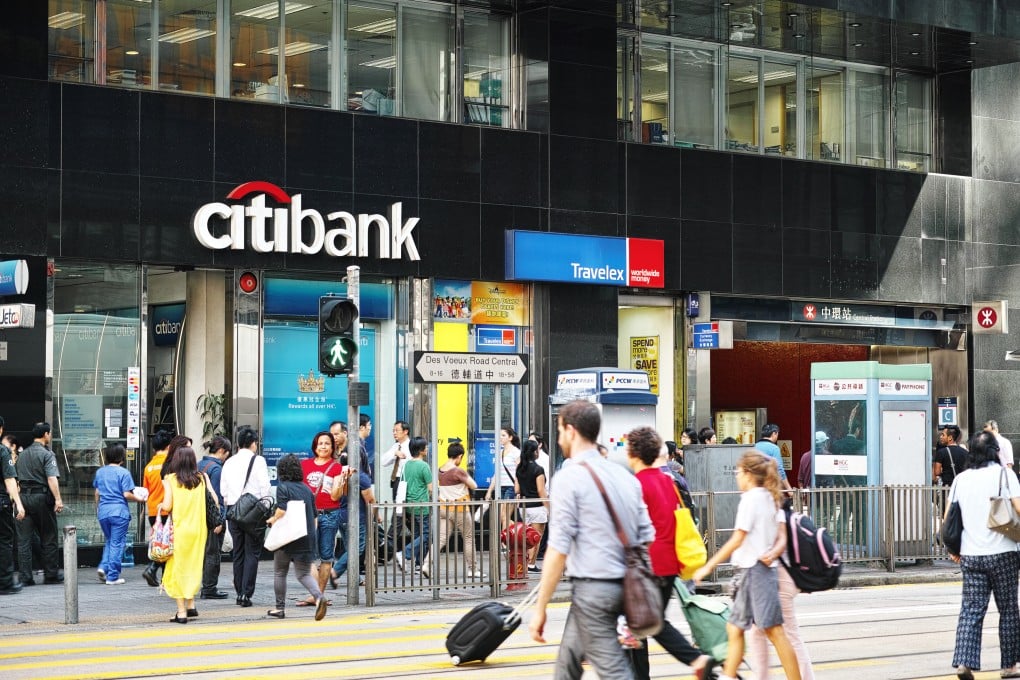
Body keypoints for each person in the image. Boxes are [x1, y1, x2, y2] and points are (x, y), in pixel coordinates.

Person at [529, 399, 654, 680]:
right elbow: (647, 535)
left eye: (560, 431)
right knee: (568, 663)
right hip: (628, 586)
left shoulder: (568, 478)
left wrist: (540, 608)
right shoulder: (627, 478)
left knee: (615, 672)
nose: (559, 438)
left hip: (594, 591)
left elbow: (558, 548)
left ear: (571, 431)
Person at [693, 451, 802, 680]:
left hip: (755, 572)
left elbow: (737, 538)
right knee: (735, 628)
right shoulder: (773, 497)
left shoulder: (751, 499)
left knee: (774, 631)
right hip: (753, 571)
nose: (736, 477)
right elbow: (782, 536)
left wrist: (708, 566)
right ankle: (728, 676)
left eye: (738, 472)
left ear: (749, 474)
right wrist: (774, 551)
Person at [625, 426, 716, 680]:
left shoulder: (636, 485)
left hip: (646, 566)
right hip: (669, 564)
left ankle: (697, 660)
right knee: (639, 628)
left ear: (634, 453)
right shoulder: (668, 481)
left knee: (649, 624)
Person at [946, 431, 1020, 680]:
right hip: (1004, 553)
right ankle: (1009, 666)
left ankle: (964, 663)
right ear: (994, 451)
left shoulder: (961, 480)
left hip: (971, 555)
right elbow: (1019, 508)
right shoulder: (1005, 474)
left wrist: (953, 550)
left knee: (971, 609)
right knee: (1008, 609)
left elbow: (949, 519)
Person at [747, 509, 815, 680]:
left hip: (781, 580)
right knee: (758, 632)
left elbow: (776, 542)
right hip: (781, 578)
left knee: (789, 635)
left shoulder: (768, 505)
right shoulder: (776, 505)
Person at [266, 454, 328, 622]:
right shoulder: (306, 489)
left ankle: (279, 609)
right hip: (305, 536)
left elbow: (282, 510)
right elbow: (314, 517)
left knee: (280, 572)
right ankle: (318, 597)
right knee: (303, 574)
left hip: (287, 538)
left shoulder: (283, 487)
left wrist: (271, 520)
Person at [158, 446, 211, 623]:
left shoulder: (170, 479)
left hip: (180, 530)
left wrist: (159, 507)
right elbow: (214, 500)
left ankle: (181, 612)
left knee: (177, 569)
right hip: (198, 530)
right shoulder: (201, 478)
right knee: (192, 567)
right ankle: (190, 605)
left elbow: (167, 506)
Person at [221, 425, 271, 607]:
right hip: (253, 512)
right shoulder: (258, 461)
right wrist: (265, 508)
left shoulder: (229, 462)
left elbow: (223, 491)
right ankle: (246, 594)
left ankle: (238, 591)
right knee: (253, 552)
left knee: (239, 552)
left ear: (237, 443)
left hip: (234, 510)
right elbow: (265, 488)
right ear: (253, 443)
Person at [300, 430, 348, 601]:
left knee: (326, 557)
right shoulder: (304, 465)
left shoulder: (336, 467)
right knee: (309, 557)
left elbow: (336, 496)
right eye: (320, 443)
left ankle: (319, 595)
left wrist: (342, 480)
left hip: (329, 514)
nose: (323, 446)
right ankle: (317, 595)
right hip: (309, 515)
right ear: (315, 445)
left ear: (332, 446)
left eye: (327, 443)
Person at [16, 422, 64, 586]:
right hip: (41, 497)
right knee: (49, 536)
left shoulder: (22, 454)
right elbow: (51, 478)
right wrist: (58, 499)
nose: (50, 436)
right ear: (45, 434)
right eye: (49, 433)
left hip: (23, 498)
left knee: (24, 541)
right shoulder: (47, 454)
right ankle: (51, 574)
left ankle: (25, 577)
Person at [425, 440, 479, 578]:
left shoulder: (440, 470)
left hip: (444, 508)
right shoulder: (457, 471)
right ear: (460, 456)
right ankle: (473, 569)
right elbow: (474, 485)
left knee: (441, 538)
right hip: (459, 509)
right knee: (468, 537)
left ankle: (426, 563)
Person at [93, 444, 144, 585]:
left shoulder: (100, 472)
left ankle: (104, 567)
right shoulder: (124, 473)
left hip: (103, 512)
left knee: (110, 541)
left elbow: (97, 493)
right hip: (119, 512)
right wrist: (139, 498)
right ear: (121, 458)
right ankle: (113, 576)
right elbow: (126, 494)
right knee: (117, 543)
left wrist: (98, 508)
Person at [333, 455, 376, 585]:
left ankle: (355, 578)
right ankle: (335, 571)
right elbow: (370, 500)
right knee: (356, 549)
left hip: (342, 517)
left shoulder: (339, 475)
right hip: (358, 518)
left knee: (350, 549)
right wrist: (375, 515)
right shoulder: (361, 477)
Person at [198, 435, 231, 599]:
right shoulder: (216, 469)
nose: (227, 457)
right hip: (212, 518)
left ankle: (204, 586)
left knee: (203, 553)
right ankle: (209, 588)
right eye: (227, 453)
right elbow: (218, 497)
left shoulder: (199, 464)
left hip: (198, 515)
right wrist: (219, 520)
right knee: (212, 553)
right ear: (221, 451)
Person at [142, 429, 174, 587]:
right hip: (168, 510)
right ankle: (155, 569)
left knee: (159, 542)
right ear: (169, 446)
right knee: (168, 543)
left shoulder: (148, 467)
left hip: (154, 511)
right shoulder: (171, 464)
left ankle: (159, 574)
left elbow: (145, 491)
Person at [396, 437, 432, 575]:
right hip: (422, 505)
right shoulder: (424, 466)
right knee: (426, 535)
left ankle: (418, 564)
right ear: (421, 450)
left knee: (418, 534)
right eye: (426, 447)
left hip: (410, 505)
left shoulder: (406, 465)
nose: (427, 449)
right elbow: (430, 488)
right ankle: (405, 553)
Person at [514, 439, 548, 572]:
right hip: (537, 506)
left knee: (526, 536)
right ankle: (531, 564)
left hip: (523, 507)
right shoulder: (538, 469)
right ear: (535, 452)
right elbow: (541, 491)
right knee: (536, 536)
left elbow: (517, 489)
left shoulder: (520, 468)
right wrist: (548, 507)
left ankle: (524, 561)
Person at [0, 417, 25, 594]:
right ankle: (5, 582)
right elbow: (9, 479)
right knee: (4, 542)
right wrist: (19, 504)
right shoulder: (2, 451)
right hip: (1, 503)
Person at [486, 426, 521, 529]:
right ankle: (519, 531)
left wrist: (518, 490)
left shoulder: (516, 452)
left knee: (504, 516)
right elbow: (497, 474)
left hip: (511, 487)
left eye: (503, 435)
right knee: (502, 517)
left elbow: (519, 473)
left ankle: (505, 542)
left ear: (510, 437)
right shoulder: (500, 453)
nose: (500, 438)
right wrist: (489, 491)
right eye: (499, 435)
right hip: (501, 487)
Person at [755, 424, 792, 492]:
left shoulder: (753, 447)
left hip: (754, 487)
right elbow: (779, 469)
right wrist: (789, 489)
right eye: (777, 434)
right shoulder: (774, 448)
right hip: (769, 487)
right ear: (774, 433)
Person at [381, 420, 411, 499]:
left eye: (397, 430)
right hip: (396, 480)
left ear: (405, 431)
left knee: (402, 506)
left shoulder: (410, 446)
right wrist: (394, 453)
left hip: (406, 479)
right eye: (393, 431)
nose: (394, 433)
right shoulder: (396, 446)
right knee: (396, 505)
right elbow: (383, 462)